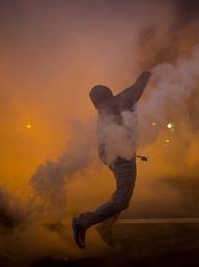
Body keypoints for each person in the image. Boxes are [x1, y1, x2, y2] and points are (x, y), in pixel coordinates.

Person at [72, 71, 151, 248]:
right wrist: (146, 74)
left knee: (122, 196)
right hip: (120, 155)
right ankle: (83, 222)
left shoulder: (103, 111)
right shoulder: (118, 101)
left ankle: (106, 227)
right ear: (109, 93)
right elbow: (138, 87)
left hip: (115, 155)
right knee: (122, 198)